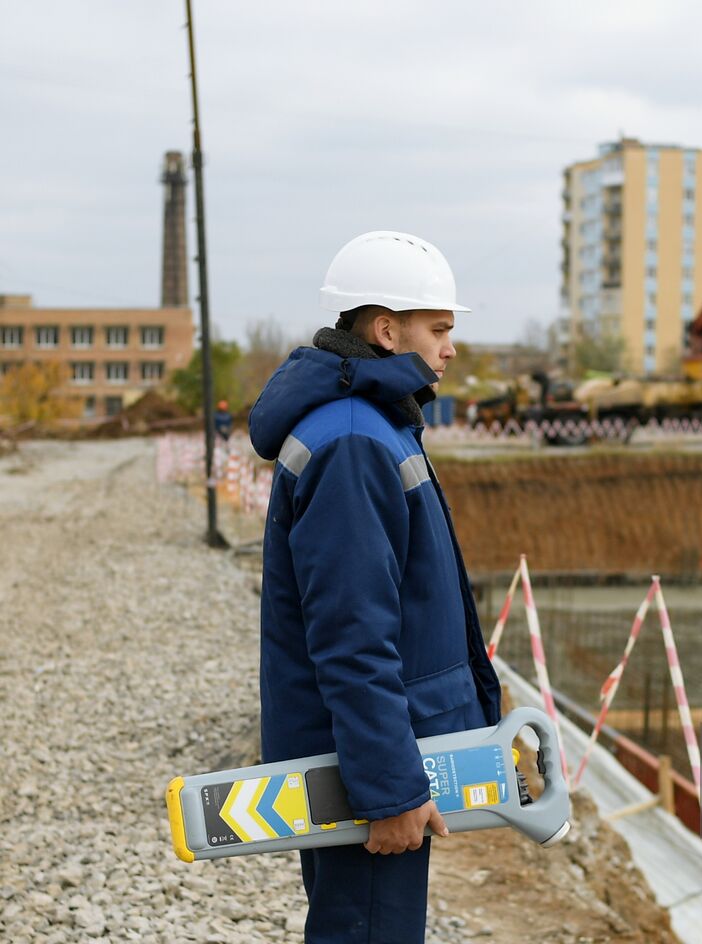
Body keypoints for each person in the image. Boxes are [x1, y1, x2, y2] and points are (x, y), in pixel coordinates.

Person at [248, 231, 501, 944]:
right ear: (387, 331)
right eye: (439, 328)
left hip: (370, 756)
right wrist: (389, 790)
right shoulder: (357, 439)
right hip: (365, 769)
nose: (451, 348)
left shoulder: (364, 425)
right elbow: (353, 638)